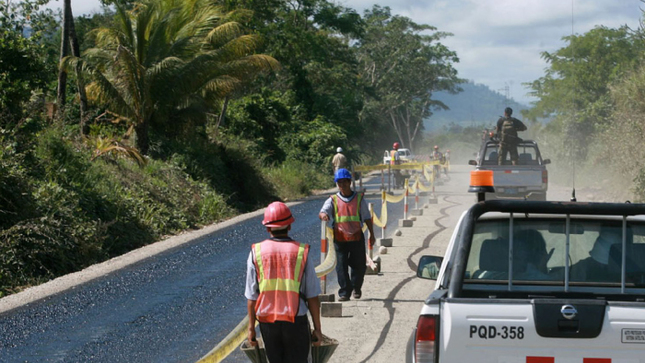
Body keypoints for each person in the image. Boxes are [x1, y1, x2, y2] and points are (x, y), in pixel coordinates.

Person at [246, 201, 323, 363]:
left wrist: (251, 328)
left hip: (268, 323)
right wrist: (317, 328)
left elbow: (252, 297)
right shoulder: (301, 252)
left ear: (267, 228)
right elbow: (312, 296)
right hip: (296, 321)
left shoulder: (256, 252)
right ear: (289, 226)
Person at [318, 168, 376, 301]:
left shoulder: (359, 199)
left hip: (356, 237)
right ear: (337, 184)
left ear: (350, 182)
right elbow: (323, 211)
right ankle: (344, 292)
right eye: (340, 183)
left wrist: (372, 235)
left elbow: (367, 217)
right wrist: (323, 215)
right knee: (341, 266)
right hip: (340, 238)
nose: (342, 185)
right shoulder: (332, 200)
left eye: (345, 182)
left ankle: (356, 287)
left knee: (359, 264)